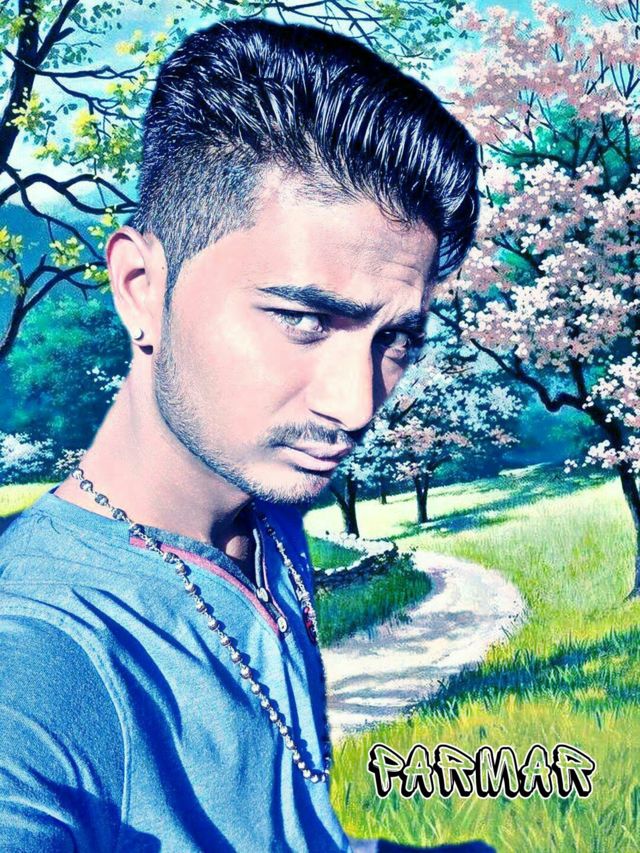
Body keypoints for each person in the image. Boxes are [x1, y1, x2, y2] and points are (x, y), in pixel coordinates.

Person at [0, 17, 482, 853]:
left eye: (395, 339)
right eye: (303, 318)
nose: (355, 403)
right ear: (141, 287)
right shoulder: (40, 650)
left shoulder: (267, 511)